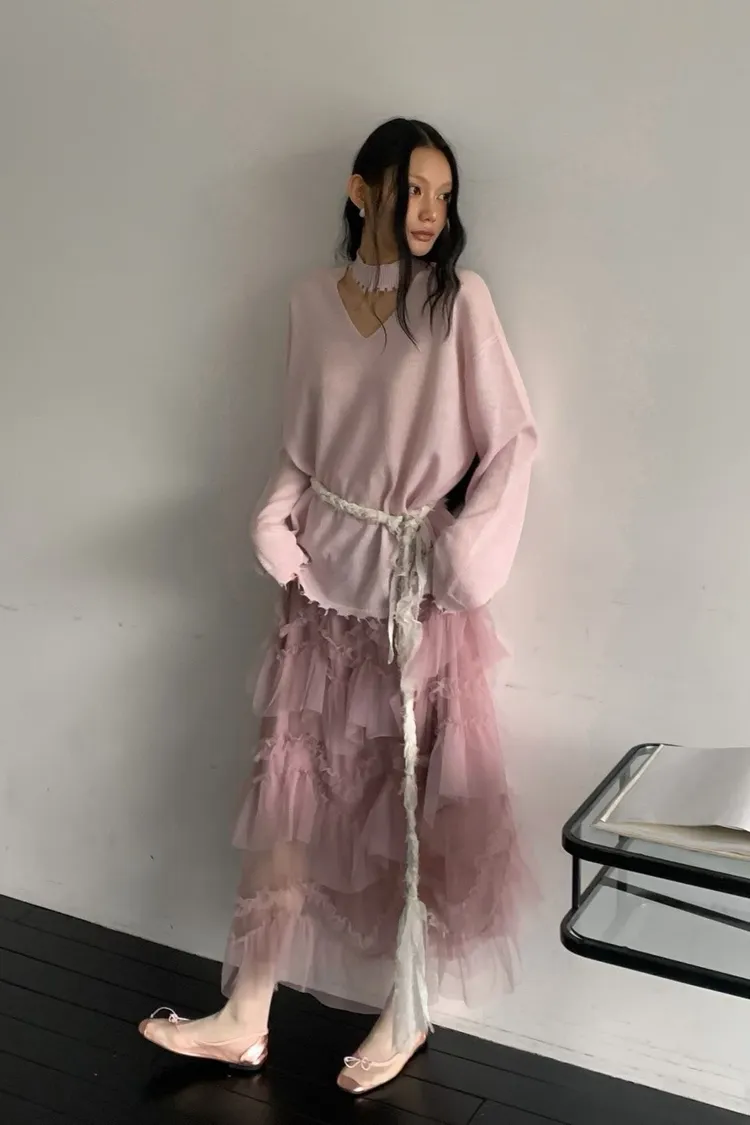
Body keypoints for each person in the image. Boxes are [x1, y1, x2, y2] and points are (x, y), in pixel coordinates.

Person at [139, 117, 537, 1095]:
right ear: (362, 189)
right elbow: (305, 439)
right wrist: (273, 520)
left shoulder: (459, 302)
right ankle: (245, 1013)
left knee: (415, 802)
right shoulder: (310, 301)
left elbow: (513, 439)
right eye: (413, 188)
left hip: (416, 597)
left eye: (444, 195)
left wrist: (459, 559)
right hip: (324, 587)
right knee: (289, 793)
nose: (430, 211)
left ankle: (410, 1006)